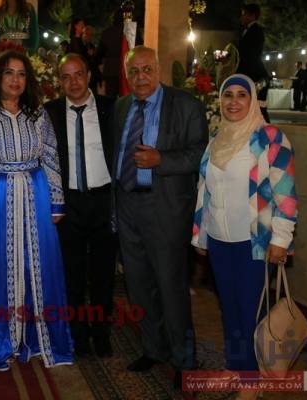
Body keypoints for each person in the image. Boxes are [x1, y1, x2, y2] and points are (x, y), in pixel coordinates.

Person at [0, 50, 73, 371]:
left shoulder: (37, 114)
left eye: (22, 74)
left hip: (36, 194)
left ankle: (39, 339)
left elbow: (51, 157)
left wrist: (56, 200)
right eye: (9, 73)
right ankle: (0, 342)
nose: (15, 80)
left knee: (39, 266)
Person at [191, 74, 297, 400]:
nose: (233, 102)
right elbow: (204, 191)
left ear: (253, 100)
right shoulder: (217, 138)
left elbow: (286, 193)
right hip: (220, 240)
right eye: (228, 95)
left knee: (250, 310)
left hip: (255, 242)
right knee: (230, 308)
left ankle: (251, 379)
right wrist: (201, 236)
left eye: (241, 95)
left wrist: (281, 239)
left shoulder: (271, 138)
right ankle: (234, 366)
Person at [113, 46, 207, 391]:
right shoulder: (121, 106)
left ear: (158, 70)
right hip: (127, 207)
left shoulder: (186, 105)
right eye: (134, 71)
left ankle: (185, 360)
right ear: (127, 74)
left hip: (165, 209)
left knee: (171, 288)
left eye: (147, 70)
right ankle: (153, 349)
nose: (140, 77)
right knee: (138, 286)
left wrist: (161, 160)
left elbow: (200, 153)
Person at [44, 54, 116, 357]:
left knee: (103, 275)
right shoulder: (49, 113)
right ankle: (77, 335)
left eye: (78, 75)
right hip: (68, 202)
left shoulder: (112, 108)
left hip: (104, 200)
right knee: (71, 275)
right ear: (59, 81)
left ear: (88, 76)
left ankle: (101, 334)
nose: (73, 82)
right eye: (66, 76)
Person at [237, 3, 270, 122]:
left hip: (256, 76)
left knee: (259, 109)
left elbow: (251, 55)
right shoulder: (246, 31)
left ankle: (269, 131)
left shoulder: (257, 31)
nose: (241, 17)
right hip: (250, 75)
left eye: (244, 14)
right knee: (251, 109)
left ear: (252, 16)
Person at [95, 10, 123, 97]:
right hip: (125, 68)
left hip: (110, 69)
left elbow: (99, 53)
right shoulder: (129, 31)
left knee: (111, 97)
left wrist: (99, 64)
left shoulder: (106, 33)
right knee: (126, 97)